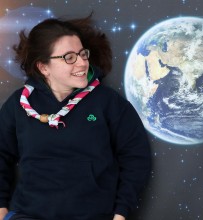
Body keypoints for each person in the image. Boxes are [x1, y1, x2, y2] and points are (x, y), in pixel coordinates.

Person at [0, 14, 151, 220]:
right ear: (43, 67)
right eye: (69, 57)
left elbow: (136, 156)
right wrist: (1, 208)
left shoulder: (107, 102)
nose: (82, 63)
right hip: (29, 215)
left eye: (82, 54)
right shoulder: (19, 105)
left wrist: (121, 213)